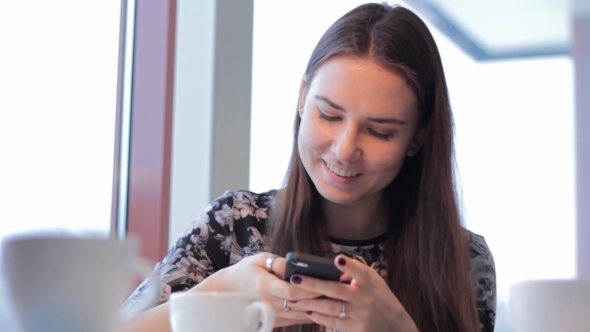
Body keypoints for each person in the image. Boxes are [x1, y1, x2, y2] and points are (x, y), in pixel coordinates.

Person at [120, 3, 496, 332]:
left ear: (417, 137)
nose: (345, 149)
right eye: (329, 115)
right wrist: (226, 287)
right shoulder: (235, 224)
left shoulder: (462, 260)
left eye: (379, 132)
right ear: (302, 99)